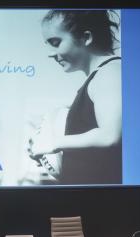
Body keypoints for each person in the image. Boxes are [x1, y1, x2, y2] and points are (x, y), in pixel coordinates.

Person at [30, 10, 122, 185]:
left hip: (102, 206)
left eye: (55, 42)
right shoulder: (97, 78)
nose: (50, 53)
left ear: (85, 37)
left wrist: (54, 142)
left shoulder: (110, 71)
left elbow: (110, 136)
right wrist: (48, 155)